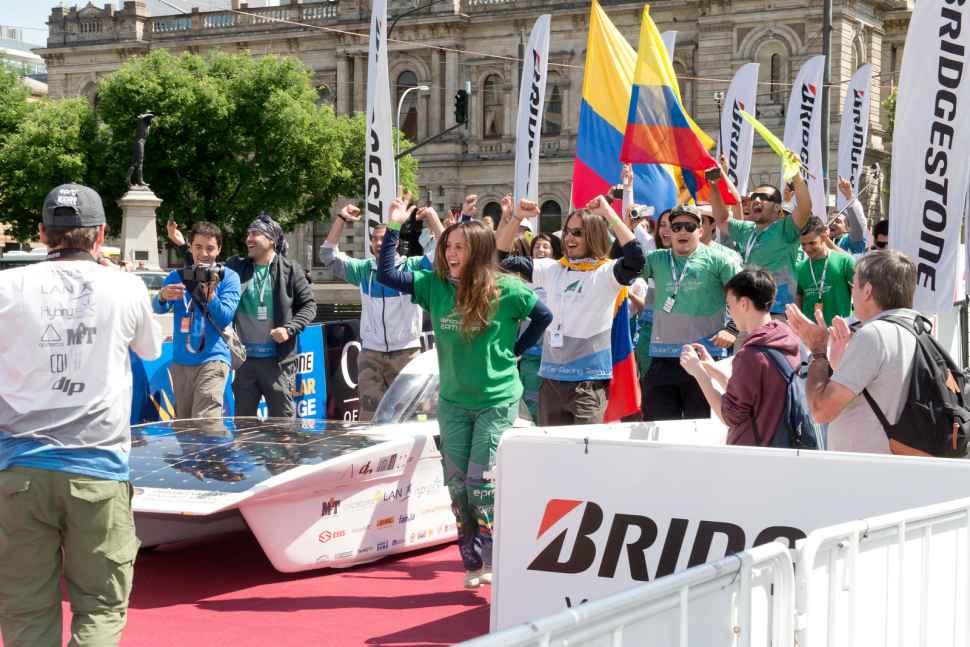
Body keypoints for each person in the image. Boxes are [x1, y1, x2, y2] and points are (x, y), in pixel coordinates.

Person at [0, 183, 162, 647]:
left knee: (26, 608)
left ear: (42, 234)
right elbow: (150, 348)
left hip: (19, 467)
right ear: (101, 235)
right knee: (101, 607)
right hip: (98, 469)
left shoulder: (7, 286)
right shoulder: (125, 286)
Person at [376, 196, 552, 588]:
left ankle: (494, 557)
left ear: (478, 252)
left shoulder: (508, 289)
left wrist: (516, 351)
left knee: (480, 485)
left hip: (496, 400)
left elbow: (543, 316)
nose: (452, 253)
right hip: (453, 404)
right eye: (448, 246)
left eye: (460, 247)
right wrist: (394, 228)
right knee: (457, 487)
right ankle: (472, 561)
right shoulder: (434, 286)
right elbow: (387, 275)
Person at [497, 195, 645, 425]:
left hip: (588, 384)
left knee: (588, 456)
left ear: (594, 234)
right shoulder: (552, 269)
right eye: (567, 231)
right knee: (553, 456)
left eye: (578, 232)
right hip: (550, 381)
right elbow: (500, 261)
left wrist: (608, 213)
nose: (569, 237)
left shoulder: (607, 273)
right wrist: (516, 218)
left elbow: (636, 258)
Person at [168, 214, 316, 418]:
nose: (248, 239)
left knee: (282, 425)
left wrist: (289, 329)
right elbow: (203, 265)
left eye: (255, 234)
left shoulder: (291, 270)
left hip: (277, 362)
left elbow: (309, 306)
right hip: (245, 361)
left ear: (271, 239)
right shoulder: (236, 266)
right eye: (248, 234)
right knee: (244, 425)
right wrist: (183, 245)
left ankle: (285, 451)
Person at [786, 250, 919, 454]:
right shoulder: (918, 328)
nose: (852, 293)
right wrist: (839, 365)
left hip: (866, 470)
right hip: (896, 466)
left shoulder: (873, 335)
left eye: (853, 285)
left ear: (867, 291)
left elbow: (821, 410)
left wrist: (818, 349)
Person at [320, 201, 443, 420]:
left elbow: (443, 253)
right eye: (374, 239)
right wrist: (341, 218)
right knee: (370, 418)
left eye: (382, 238)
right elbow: (328, 255)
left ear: (394, 242)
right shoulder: (364, 270)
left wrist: (432, 218)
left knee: (410, 417)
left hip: (406, 353)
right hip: (371, 354)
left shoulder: (411, 267)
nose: (378, 242)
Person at [640, 204, 741, 420]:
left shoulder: (720, 260)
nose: (682, 231)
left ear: (701, 231)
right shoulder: (656, 259)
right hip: (663, 359)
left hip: (704, 357)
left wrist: (732, 329)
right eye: (676, 227)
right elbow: (626, 270)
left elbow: (744, 295)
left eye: (689, 226)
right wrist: (626, 226)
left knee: (702, 434)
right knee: (659, 434)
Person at [680, 269, 802, 445]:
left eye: (729, 305)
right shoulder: (786, 338)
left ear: (743, 303)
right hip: (783, 448)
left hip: (754, 454)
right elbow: (754, 396)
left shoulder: (751, 355)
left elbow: (730, 416)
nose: (729, 312)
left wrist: (699, 373)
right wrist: (713, 370)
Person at [154, 222, 241, 421]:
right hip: (181, 361)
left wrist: (210, 295)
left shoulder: (228, 278)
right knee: (184, 424)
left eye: (210, 248)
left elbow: (224, 316)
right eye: (198, 247)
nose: (203, 253)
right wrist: (162, 296)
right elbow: (158, 308)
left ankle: (213, 452)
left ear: (219, 249)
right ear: (190, 247)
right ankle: (205, 452)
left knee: (205, 420)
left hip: (213, 359)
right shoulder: (176, 276)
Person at [711, 162, 813, 318]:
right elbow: (721, 220)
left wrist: (795, 173)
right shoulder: (747, 229)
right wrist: (714, 185)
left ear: (777, 207)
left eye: (764, 197)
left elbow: (805, 209)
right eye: (754, 197)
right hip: (749, 311)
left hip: (777, 313)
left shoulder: (785, 228)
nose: (756, 200)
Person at [796, 216, 855, 325]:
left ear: (824, 237)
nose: (807, 249)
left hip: (839, 333)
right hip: (810, 335)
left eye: (812, 243)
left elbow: (859, 297)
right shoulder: (799, 268)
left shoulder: (845, 262)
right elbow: (798, 302)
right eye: (803, 244)